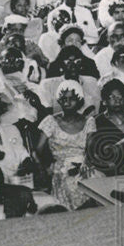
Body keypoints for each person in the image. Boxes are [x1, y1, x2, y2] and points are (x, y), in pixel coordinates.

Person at [36, 81, 95, 209]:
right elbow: (39, 149)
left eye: (72, 99)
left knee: (97, 183)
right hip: (61, 167)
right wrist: (48, 166)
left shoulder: (89, 121)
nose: (67, 102)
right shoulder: (50, 121)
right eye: (63, 99)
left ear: (79, 100)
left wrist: (86, 163)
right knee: (71, 184)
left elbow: (90, 149)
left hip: (85, 164)